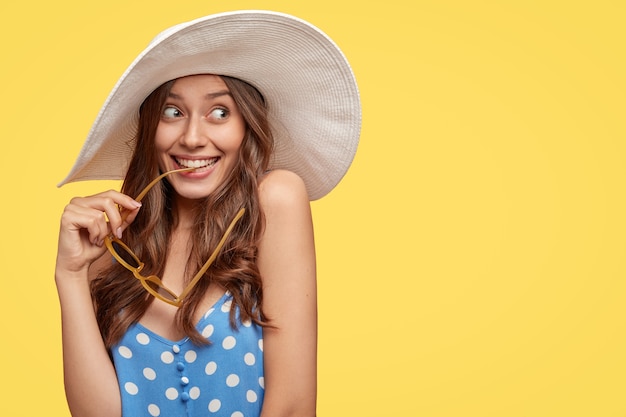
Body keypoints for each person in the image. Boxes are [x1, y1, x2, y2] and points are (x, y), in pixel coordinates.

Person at [54, 10, 360, 417]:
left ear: (246, 127)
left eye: (219, 113)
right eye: (172, 112)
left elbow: (292, 406)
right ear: (151, 128)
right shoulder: (113, 239)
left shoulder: (275, 201)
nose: (193, 138)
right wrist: (70, 276)